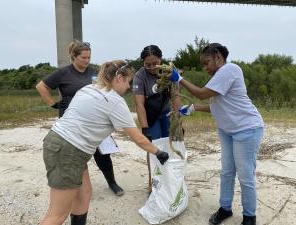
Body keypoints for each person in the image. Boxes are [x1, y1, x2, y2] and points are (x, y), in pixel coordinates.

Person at [39, 60, 169, 225]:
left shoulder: (89, 88)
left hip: (61, 143)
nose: (129, 87)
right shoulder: (114, 101)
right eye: (128, 82)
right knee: (57, 215)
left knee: (84, 193)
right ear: (119, 78)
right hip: (68, 151)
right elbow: (138, 138)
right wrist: (158, 152)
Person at [173, 43, 264, 225]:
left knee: (245, 175)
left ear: (217, 57)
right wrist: (191, 109)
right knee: (227, 172)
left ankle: (249, 216)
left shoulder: (230, 69)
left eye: (207, 63)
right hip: (227, 131)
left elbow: (201, 94)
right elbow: (218, 105)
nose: (205, 67)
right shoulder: (218, 77)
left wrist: (179, 79)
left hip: (246, 129)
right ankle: (225, 208)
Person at [36, 40, 124, 197]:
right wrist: (53, 104)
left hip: (95, 120)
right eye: (83, 57)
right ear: (74, 57)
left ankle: (112, 182)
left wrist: (112, 66)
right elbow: (41, 86)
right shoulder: (63, 73)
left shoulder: (95, 71)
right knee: (76, 156)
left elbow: (110, 78)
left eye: (89, 57)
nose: (87, 60)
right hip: (72, 122)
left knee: (103, 154)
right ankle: (80, 187)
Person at [132, 45, 180, 193]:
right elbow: (139, 104)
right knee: (154, 148)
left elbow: (176, 97)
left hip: (166, 113)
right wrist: (145, 128)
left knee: (169, 146)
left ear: (161, 59)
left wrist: (177, 120)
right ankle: (152, 183)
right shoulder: (140, 76)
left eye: (155, 63)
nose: (152, 67)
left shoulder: (170, 71)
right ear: (143, 63)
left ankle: (169, 179)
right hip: (150, 115)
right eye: (148, 64)